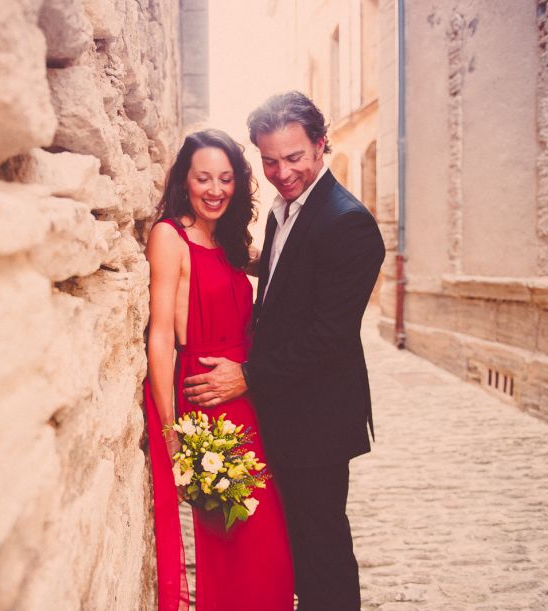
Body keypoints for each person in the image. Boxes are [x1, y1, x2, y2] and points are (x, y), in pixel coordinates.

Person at [183, 92, 385, 610]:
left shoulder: (349, 222)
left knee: (322, 551)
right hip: (281, 410)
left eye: (294, 157)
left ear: (322, 145)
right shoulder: (284, 210)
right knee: (293, 548)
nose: (282, 171)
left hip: (317, 415)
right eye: (270, 160)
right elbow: (284, 281)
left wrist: (247, 375)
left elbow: (328, 334)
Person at [144, 129, 294, 610]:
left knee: (269, 550)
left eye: (226, 179)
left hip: (251, 399)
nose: (215, 189)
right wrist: (170, 431)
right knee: (238, 543)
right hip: (209, 407)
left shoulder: (229, 240)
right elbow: (162, 335)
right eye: (203, 178)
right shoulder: (171, 237)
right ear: (184, 181)